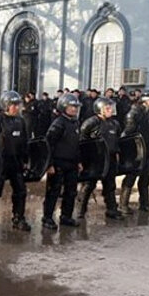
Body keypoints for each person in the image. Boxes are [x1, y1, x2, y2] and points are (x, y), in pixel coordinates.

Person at [0, 90, 30, 231]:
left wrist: (25, 160)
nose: (17, 108)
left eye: (18, 105)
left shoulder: (20, 121)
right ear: (6, 105)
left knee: (20, 191)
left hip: (15, 163)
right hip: (0, 163)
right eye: (13, 105)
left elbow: (24, 142)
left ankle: (18, 218)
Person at [41, 93, 83, 230]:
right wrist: (49, 164)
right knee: (53, 191)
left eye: (76, 107)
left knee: (71, 191)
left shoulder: (75, 122)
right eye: (72, 107)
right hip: (58, 163)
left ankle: (66, 216)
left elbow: (76, 144)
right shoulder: (58, 123)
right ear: (64, 107)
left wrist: (78, 161)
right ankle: (47, 217)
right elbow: (48, 144)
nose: (75, 109)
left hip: (72, 163)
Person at [77, 97, 123, 220]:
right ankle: (81, 210)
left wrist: (117, 153)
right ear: (99, 109)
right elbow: (82, 142)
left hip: (111, 158)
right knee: (89, 184)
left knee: (110, 184)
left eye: (111, 107)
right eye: (107, 108)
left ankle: (111, 209)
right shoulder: (90, 123)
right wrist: (82, 160)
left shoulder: (114, 123)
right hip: (95, 159)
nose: (110, 110)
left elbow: (116, 140)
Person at [119, 90, 149, 212]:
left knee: (145, 178)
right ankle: (123, 204)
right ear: (145, 101)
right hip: (136, 150)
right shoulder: (135, 112)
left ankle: (144, 203)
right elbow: (128, 133)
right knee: (131, 176)